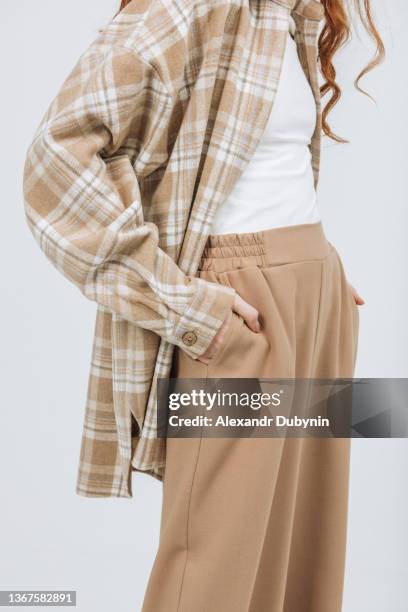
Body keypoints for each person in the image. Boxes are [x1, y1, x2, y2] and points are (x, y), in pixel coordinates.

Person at [23, 0, 384, 609]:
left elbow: (258, 171)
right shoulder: (184, 8)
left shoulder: (286, 15)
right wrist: (184, 304)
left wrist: (318, 269)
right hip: (239, 313)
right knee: (213, 565)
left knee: (308, 557)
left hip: (316, 299)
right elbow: (53, 164)